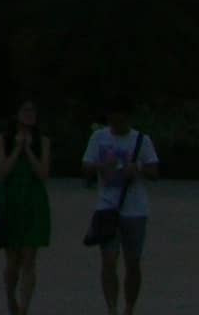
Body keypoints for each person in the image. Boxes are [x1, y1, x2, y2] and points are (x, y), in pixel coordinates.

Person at [81, 102, 160, 315]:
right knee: (108, 259)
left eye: (121, 119)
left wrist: (138, 168)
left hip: (135, 209)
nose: (116, 123)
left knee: (132, 261)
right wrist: (101, 166)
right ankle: (112, 307)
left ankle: (129, 307)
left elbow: (155, 170)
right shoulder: (99, 138)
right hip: (107, 206)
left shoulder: (141, 140)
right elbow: (85, 166)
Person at [0, 101, 52, 314]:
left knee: (29, 257)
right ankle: (11, 298)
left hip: (33, 201)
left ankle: (25, 307)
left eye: (33, 111)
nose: (30, 115)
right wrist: (17, 148)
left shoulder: (42, 141)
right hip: (11, 201)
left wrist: (28, 149)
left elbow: (43, 174)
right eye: (25, 110)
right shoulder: (3, 140)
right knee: (12, 260)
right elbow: (3, 171)